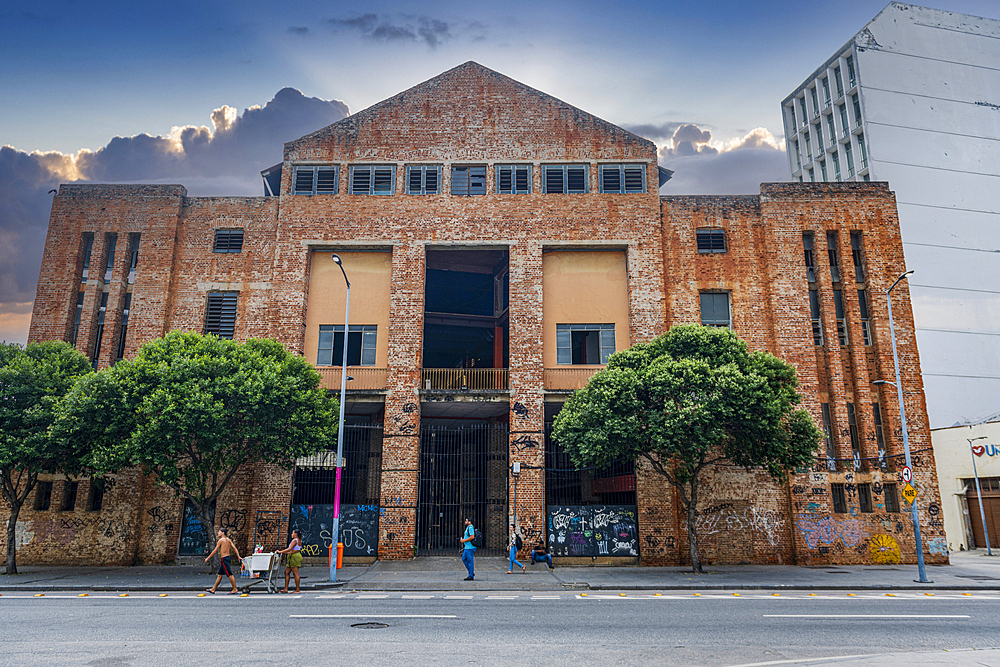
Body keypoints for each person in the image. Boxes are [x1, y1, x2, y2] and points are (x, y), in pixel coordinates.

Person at [205, 528, 242, 594]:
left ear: (223, 533)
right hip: (228, 558)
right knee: (219, 575)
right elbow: (235, 548)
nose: (218, 533)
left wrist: (208, 558)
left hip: (224, 559)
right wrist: (238, 556)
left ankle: (235, 589)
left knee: (229, 574)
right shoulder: (229, 540)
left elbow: (215, 551)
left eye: (219, 532)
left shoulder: (221, 540)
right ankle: (213, 589)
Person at [276, 529, 303, 593]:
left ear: (295, 534)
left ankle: (297, 590)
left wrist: (280, 552)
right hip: (293, 556)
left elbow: (289, 549)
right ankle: (285, 588)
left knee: (295, 573)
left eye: (292, 533)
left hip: (294, 557)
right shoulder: (299, 540)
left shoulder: (294, 540)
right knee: (286, 572)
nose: (291, 534)